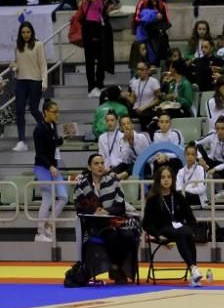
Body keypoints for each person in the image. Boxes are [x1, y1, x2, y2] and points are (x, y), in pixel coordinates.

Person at [143, 164, 210, 286]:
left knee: (186, 233)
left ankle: (193, 272)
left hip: (180, 229)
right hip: (163, 229)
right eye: (163, 177)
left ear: (172, 179)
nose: (166, 180)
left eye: (169, 177)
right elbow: (146, 224)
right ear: (158, 180)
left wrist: (192, 228)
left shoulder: (178, 196)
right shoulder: (153, 199)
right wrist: (157, 235)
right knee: (183, 233)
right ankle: (193, 269)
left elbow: (190, 216)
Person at [74, 153, 137, 284]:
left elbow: (121, 207)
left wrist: (106, 211)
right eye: (96, 164)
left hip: (113, 222)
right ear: (89, 167)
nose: (100, 166)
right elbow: (80, 208)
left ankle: (115, 267)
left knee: (130, 235)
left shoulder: (113, 182)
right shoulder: (82, 185)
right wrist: (94, 211)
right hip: (93, 225)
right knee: (112, 236)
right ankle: (117, 270)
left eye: (102, 163)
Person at [33, 99, 66, 242]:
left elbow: (53, 143)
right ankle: (40, 233)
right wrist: (50, 166)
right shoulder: (39, 129)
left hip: (53, 166)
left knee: (63, 197)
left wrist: (63, 139)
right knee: (46, 199)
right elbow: (40, 153)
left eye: (58, 111)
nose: (57, 114)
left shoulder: (53, 125)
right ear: (45, 112)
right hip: (42, 167)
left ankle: (48, 225)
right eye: (54, 112)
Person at [11, 21, 46, 153]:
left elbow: (43, 64)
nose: (26, 34)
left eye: (28, 32)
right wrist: (14, 67)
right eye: (23, 32)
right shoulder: (18, 47)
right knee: (19, 110)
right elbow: (18, 66)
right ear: (20, 34)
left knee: (33, 109)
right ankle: (21, 141)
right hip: (21, 81)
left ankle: (47, 129)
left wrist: (44, 81)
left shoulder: (38, 45)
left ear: (32, 32)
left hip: (35, 81)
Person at [78, 0, 114, 97]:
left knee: (101, 58)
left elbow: (101, 11)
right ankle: (91, 87)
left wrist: (109, 7)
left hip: (99, 27)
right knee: (90, 60)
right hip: (89, 27)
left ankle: (99, 84)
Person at [196, 118, 224, 199]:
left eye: (222, 128)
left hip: (223, 165)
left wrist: (215, 169)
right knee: (198, 148)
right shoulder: (212, 136)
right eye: (218, 129)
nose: (220, 131)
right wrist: (200, 158)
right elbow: (194, 143)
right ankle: (207, 193)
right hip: (210, 162)